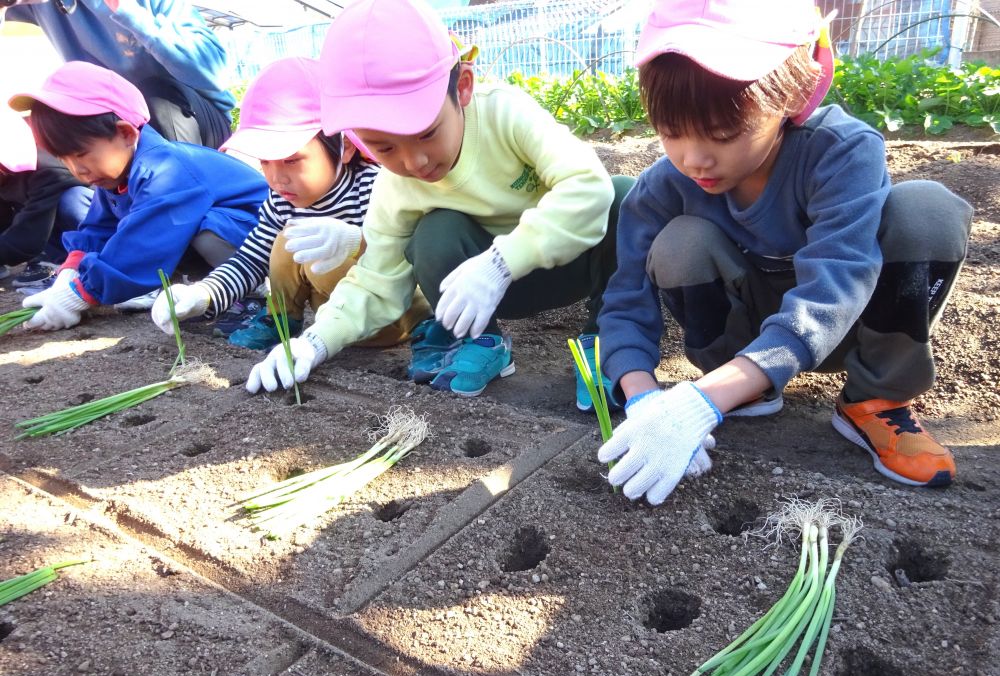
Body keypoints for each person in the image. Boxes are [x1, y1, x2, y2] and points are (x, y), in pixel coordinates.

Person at [596, 0, 973, 505]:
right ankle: (742, 387)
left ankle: (876, 398)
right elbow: (626, 297)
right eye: (670, 133)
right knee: (680, 242)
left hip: (851, 325)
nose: (694, 159)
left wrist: (702, 401)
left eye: (725, 134)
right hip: (742, 342)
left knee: (928, 209)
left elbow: (836, 282)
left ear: (795, 94)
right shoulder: (662, 189)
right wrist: (642, 396)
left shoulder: (841, 151)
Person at [245, 0, 633, 407]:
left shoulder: (506, 114)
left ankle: (606, 337)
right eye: (384, 147)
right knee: (433, 231)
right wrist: (314, 343)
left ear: (462, 86)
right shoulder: (396, 186)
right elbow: (377, 279)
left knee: (623, 196)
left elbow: (587, 186)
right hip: (475, 299)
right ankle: (483, 343)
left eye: (427, 133)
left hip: (570, 262)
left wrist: (501, 262)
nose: (414, 162)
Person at [151, 56, 429, 351]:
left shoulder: (373, 187)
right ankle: (281, 320)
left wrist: (357, 241)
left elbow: (409, 258)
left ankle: (428, 335)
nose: (277, 178)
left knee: (307, 241)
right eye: (265, 162)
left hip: (394, 317)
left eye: (292, 160)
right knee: (285, 239)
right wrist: (203, 294)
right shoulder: (282, 201)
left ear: (344, 147)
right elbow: (250, 259)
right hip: (329, 321)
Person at [9, 60, 268, 331]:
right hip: (232, 238)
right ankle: (218, 292)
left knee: (209, 232)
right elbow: (98, 229)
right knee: (186, 234)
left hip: (262, 243)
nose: (77, 170)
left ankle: (255, 292)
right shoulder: (117, 177)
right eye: (64, 159)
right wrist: (70, 274)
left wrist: (80, 295)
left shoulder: (166, 169)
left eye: (81, 154)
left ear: (125, 132)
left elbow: (144, 244)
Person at [2, 0, 235, 149]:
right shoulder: (42, 5)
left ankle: (185, 202)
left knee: (156, 96)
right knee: (41, 134)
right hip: (117, 124)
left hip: (194, 119)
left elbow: (214, 72)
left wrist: (130, 13)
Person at [0, 102, 93, 283]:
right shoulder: (5, 175)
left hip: (78, 217)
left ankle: (108, 256)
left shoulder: (47, 169)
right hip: (44, 221)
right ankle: (58, 261)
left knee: (72, 200)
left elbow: (29, 237)